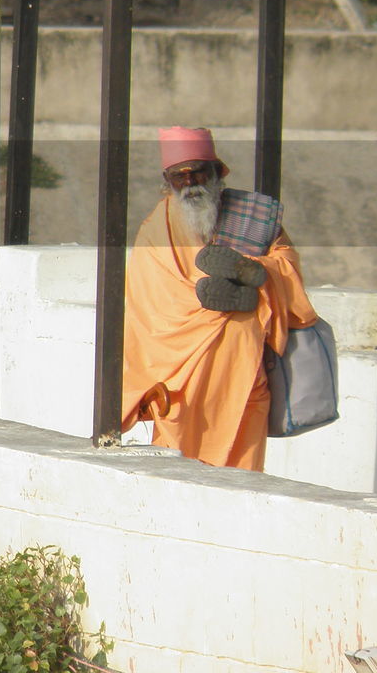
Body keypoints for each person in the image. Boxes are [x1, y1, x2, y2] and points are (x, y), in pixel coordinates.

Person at [121, 126, 316, 471]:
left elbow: (287, 261)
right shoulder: (154, 230)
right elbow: (147, 307)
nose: (191, 181)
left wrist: (260, 271)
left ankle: (245, 272)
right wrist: (201, 301)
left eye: (199, 171)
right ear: (167, 182)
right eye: (180, 176)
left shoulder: (254, 216)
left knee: (243, 474)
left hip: (245, 368)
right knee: (179, 471)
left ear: (217, 172)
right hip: (183, 378)